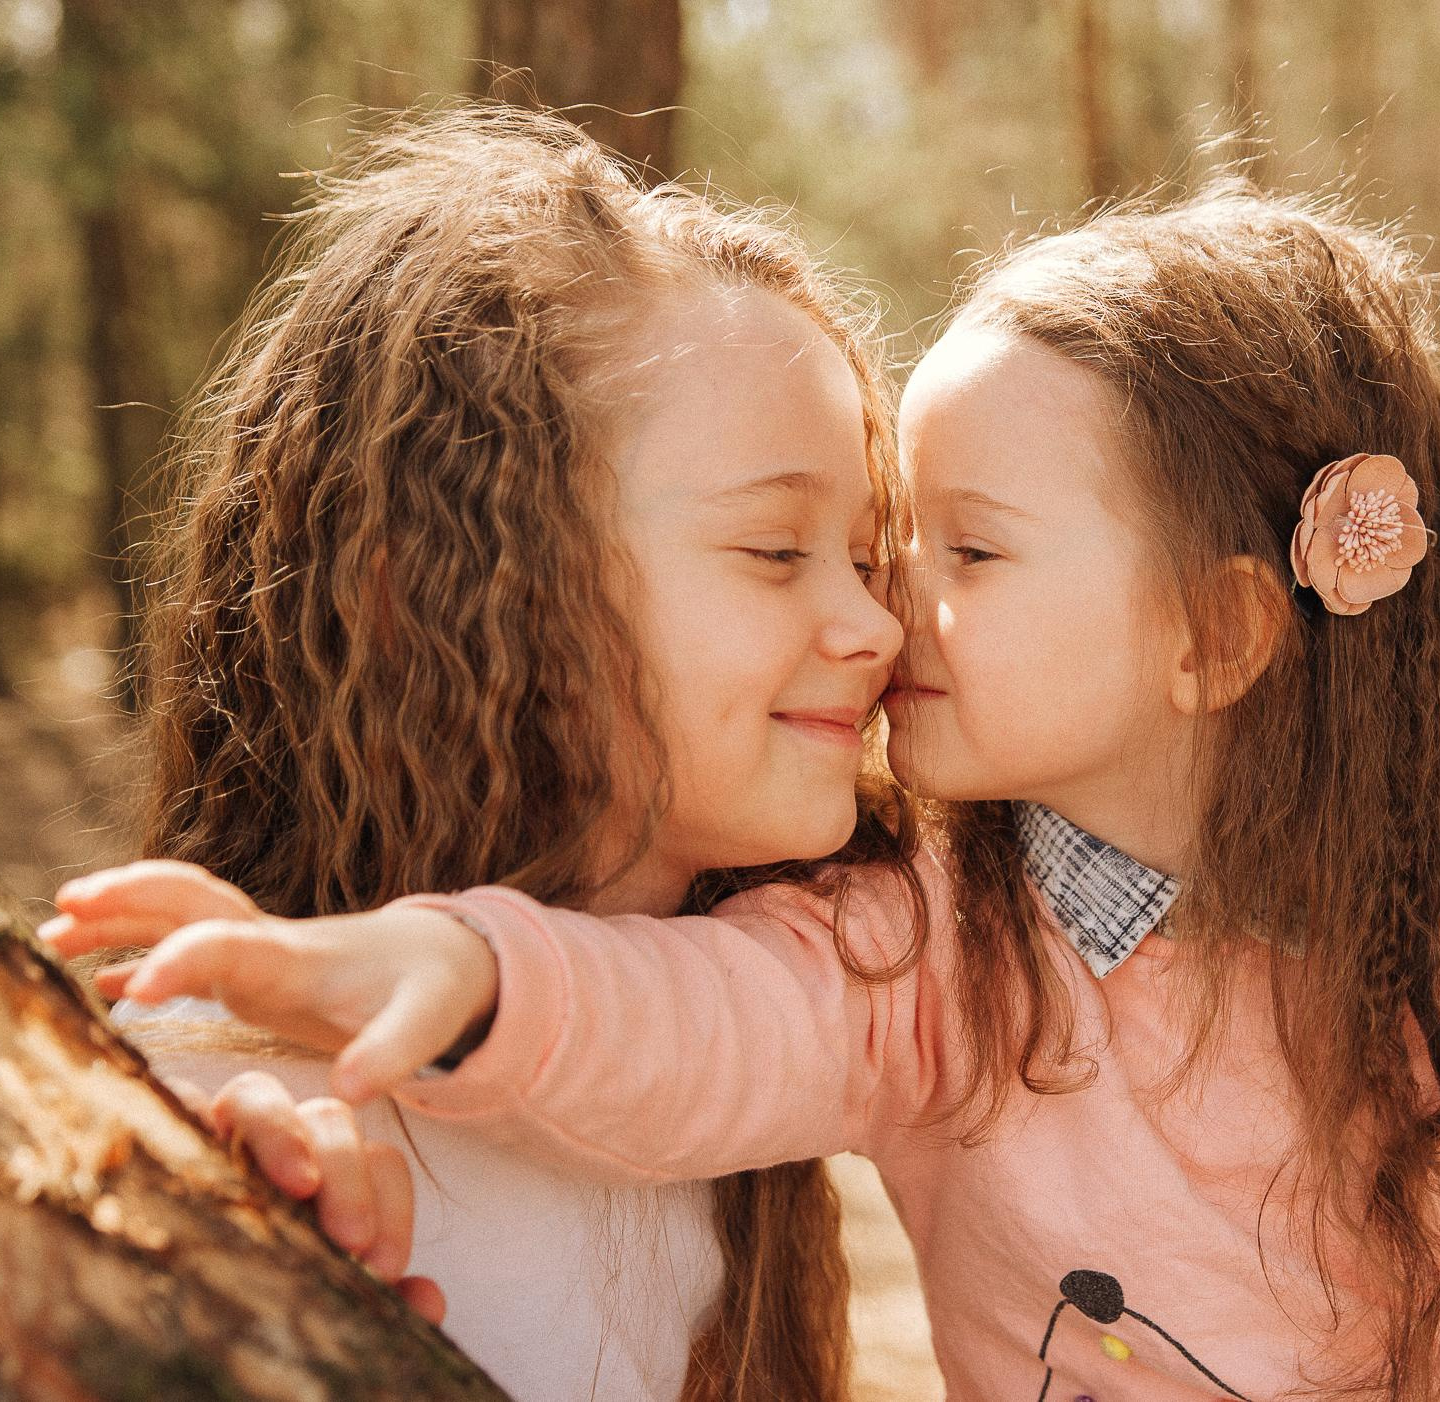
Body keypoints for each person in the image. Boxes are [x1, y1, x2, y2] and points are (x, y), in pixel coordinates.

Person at [52, 186, 1440, 1399]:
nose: (885, 618)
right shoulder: (939, 953)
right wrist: (474, 968)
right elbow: (702, 1020)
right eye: (818, 546)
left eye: (953, 552)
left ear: (1219, 630)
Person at [59, 101, 912, 1402]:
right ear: (439, 591)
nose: (872, 623)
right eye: (775, 550)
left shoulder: (745, 1062)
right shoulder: (222, 1105)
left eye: (868, 555)